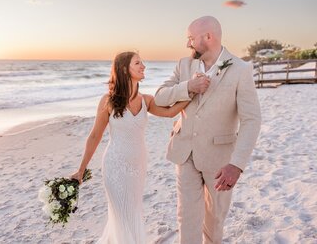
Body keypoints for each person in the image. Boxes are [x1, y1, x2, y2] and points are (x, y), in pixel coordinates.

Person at [154, 16, 261, 244]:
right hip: (185, 153)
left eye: (191, 38)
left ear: (208, 37)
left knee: (214, 221)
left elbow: (251, 120)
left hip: (220, 160)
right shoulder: (184, 65)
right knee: (187, 217)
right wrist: (188, 87)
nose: (188, 44)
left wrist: (237, 164)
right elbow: (160, 97)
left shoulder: (241, 69)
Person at [71, 51, 189, 244]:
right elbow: (94, 136)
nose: (143, 66)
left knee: (133, 211)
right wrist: (81, 169)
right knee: (121, 214)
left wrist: (192, 92)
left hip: (138, 165)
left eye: (142, 63)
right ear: (125, 69)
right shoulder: (108, 101)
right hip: (115, 165)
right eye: (138, 63)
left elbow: (170, 112)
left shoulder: (147, 100)